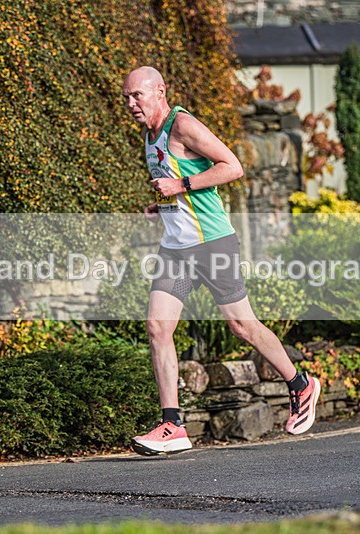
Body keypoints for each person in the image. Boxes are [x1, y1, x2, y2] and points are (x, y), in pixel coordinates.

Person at [122, 66, 320, 456]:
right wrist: (164, 207)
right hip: (177, 248)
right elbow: (180, 188)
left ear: (160, 92)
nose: (130, 104)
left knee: (242, 325)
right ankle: (173, 425)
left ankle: (301, 385)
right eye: (126, 98)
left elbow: (232, 166)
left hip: (211, 244)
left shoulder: (183, 126)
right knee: (158, 327)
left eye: (137, 96)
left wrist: (179, 185)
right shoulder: (149, 133)